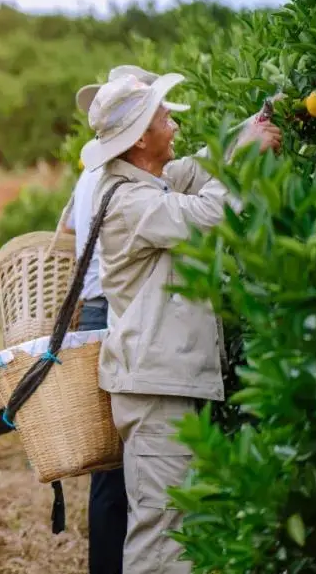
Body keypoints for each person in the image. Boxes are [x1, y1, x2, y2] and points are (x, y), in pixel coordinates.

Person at [80, 73, 280, 574]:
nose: (174, 123)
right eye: (164, 116)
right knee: (161, 537)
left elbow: (206, 165)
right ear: (141, 139)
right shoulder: (128, 200)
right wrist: (248, 157)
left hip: (167, 383)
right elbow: (207, 214)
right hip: (153, 390)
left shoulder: (153, 181)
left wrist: (259, 122)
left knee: (181, 531)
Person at [64, 65, 163, 574]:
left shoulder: (90, 174)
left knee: (111, 462)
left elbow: (64, 228)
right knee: (123, 465)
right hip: (115, 307)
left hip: (92, 304)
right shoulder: (122, 176)